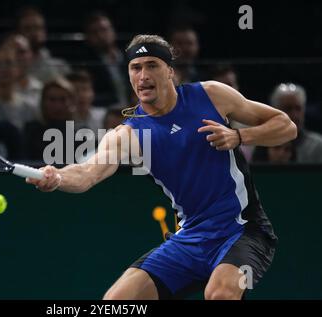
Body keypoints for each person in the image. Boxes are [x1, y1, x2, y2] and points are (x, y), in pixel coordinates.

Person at [26, 34, 297, 300]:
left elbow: (286, 126)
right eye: (136, 68)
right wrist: (57, 177)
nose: (143, 75)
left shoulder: (211, 95)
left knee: (221, 295)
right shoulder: (129, 134)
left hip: (244, 231)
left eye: (152, 65)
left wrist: (239, 136)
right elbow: (87, 174)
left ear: (170, 71)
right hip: (190, 239)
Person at [79, 12, 130, 108]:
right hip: (105, 113)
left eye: (104, 29)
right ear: (88, 37)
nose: (100, 35)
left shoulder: (130, 56)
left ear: (113, 31)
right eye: (95, 32)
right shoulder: (87, 65)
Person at [270, 83, 322, 163]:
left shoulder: (317, 146)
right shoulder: (263, 144)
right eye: (288, 109)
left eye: (298, 108)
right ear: (275, 110)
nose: (295, 115)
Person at [16, 6, 70, 83]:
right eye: (27, 28)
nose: (33, 33)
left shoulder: (60, 67)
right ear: (19, 33)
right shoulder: (11, 69)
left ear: (44, 32)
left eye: (37, 28)